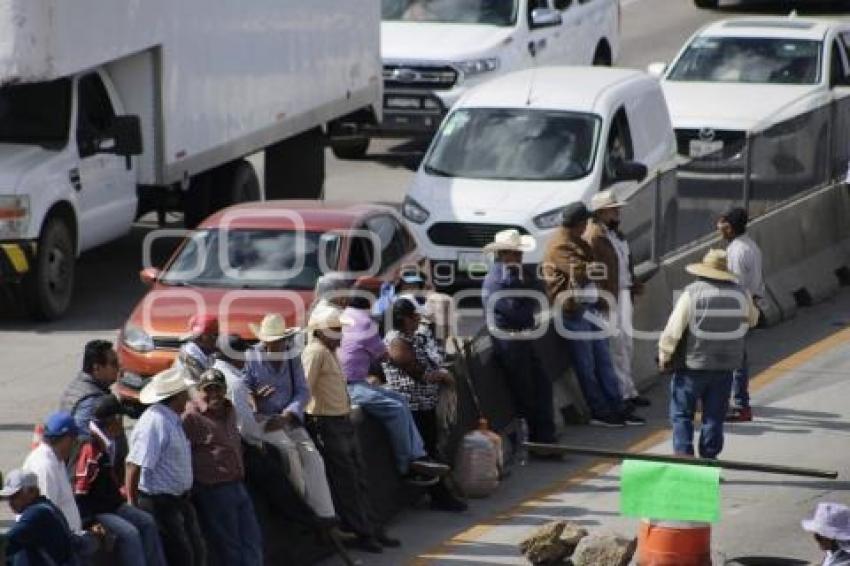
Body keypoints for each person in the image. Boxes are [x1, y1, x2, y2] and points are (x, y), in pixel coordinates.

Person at [302, 304, 401, 553]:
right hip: (327, 422)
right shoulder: (315, 353)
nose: (340, 335)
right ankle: (363, 533)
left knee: (358, 477)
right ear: (322, 331)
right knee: (347, 481)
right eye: (335, 330)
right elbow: (306, 389)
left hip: (342, 419)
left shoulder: (328, 351)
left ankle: (371, 528)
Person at [541, 202, 645, 427]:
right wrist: (591, 266)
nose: (587, 227)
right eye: (584, 223)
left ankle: (617, 406)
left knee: (604, 360)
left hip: (592, 307)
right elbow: (583, 271)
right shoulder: (560, 245)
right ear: (577, 224)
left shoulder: (578, 241)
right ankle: (599, 411)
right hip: (574, 311)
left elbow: (593, 269)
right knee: (586, 366)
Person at [658, 249, 759, 459]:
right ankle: (709, 459)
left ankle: (684, 456)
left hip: (694, 365)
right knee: (714, 416)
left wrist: (664, 356)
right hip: (726, 366)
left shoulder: (692, 293)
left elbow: (673, 329)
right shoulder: (741, 293)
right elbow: (753, 320)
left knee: (682, 413)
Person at [338, 293, 447, 485]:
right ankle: (408, 466)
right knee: (396, 409)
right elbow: (387, 357)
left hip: (359, 382)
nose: (418, 321)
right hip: (351, 385)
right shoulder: (369, 325)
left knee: (399, 401)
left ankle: (418, 456)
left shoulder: (347, 318)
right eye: (415, 318)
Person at [244, 313, 337, 522]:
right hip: (265, 420)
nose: (275, 346)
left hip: (289, 417)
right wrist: (255, 397)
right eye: (271, 342)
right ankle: (304, 509)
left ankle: (326, 514)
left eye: (278, 341)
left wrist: (288, 415)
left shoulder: (292, 357)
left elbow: (303, 392)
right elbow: (244, 388)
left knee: (313, 456)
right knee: (289, 452)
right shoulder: (252, 357)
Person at [383, 298, 465, 512]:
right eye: (414, 316)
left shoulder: (415, 337)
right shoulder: (397, 342)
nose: (418, 320)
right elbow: (417, 372)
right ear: (403, 319)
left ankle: (440, 493)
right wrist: (441, 377)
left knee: (432, 447)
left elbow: (432, 358)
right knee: (426, 452)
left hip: (427, 403)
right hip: (413, 406)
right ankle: (439, 496)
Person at [125, 366, 206, 566]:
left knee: (196, 551)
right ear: (176, 396)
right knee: (180, 556)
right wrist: (132, 504)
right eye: (184, 392)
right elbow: (133, 465)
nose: (188, 396)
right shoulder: (155, 422)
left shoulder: (171, 419)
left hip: (179, 500)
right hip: (160, 503)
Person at [481, 229, 555, 444]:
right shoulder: (496, 281)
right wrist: (529, 300)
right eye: (516, 254)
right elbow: (518, 314)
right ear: (504, 254)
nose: (520, 258)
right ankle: (537, 441)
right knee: (526, 393)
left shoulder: (517, 275)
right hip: (510, 343)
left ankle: (545, 436)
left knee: (542, 385)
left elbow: (540, 290)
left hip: (522, 339)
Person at [183, 369, 263, 566]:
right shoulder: (191, 417)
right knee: (230, 545)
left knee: (252, 538)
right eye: (208, 390)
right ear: (200, 391)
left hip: (237, 483)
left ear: (225, 390)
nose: (214, 394)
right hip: (214, 489)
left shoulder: (230, 409)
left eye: (218, 389)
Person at [74, 396, 166, 566]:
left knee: (147, 522)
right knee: (130, 533)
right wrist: (90, 522)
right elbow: (80, 491)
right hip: (98, 510)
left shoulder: (106, 442)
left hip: (113, 504)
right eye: (120, 418)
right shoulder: (90, 449)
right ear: (114, 420)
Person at [583, 191, 650, 409]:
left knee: (627, 344)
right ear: (601, 212)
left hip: (623, 293)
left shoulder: (616, 235)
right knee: (616, 346)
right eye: (613, 209)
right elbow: (593, 270)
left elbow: (625, 262)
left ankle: (629, 389)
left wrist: (634, 283)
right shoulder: (594, 237)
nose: (618, 212)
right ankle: (621, 393)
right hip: (610, 296)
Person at [718, 207, 765, 423]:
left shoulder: (737, 251)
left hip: (736, 309)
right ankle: (739, 402)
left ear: (733, 227)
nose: (720, 229)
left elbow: (734, 284)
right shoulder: (750, 245)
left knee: (734, 361)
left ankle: (739, 405)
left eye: (724, 225)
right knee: (739, 358)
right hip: (749, 304)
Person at [24, 412, 84, 534]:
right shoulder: (44, 466)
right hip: (54, 541)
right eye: (75, 439)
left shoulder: (57, 459)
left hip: (67, 537)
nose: (77, 444)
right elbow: (45, 514)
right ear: (67, 439)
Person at [1, 469, 75, 566]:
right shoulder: (46, 507)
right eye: (8, 497)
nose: (10, 502)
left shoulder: (37, 514)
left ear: (32, 491)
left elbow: (5, 542)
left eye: (15, 496)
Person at [59, 340, 121, 440]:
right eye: (114, 364)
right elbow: (84, 443)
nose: (118, 368)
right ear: (96, 368)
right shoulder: (92, 402)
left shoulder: (76, 386)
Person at [176, 314, 219, 382]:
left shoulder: (208, 350)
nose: (217, 338)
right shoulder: (190, 359)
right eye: (215, 335)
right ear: (200, 338)